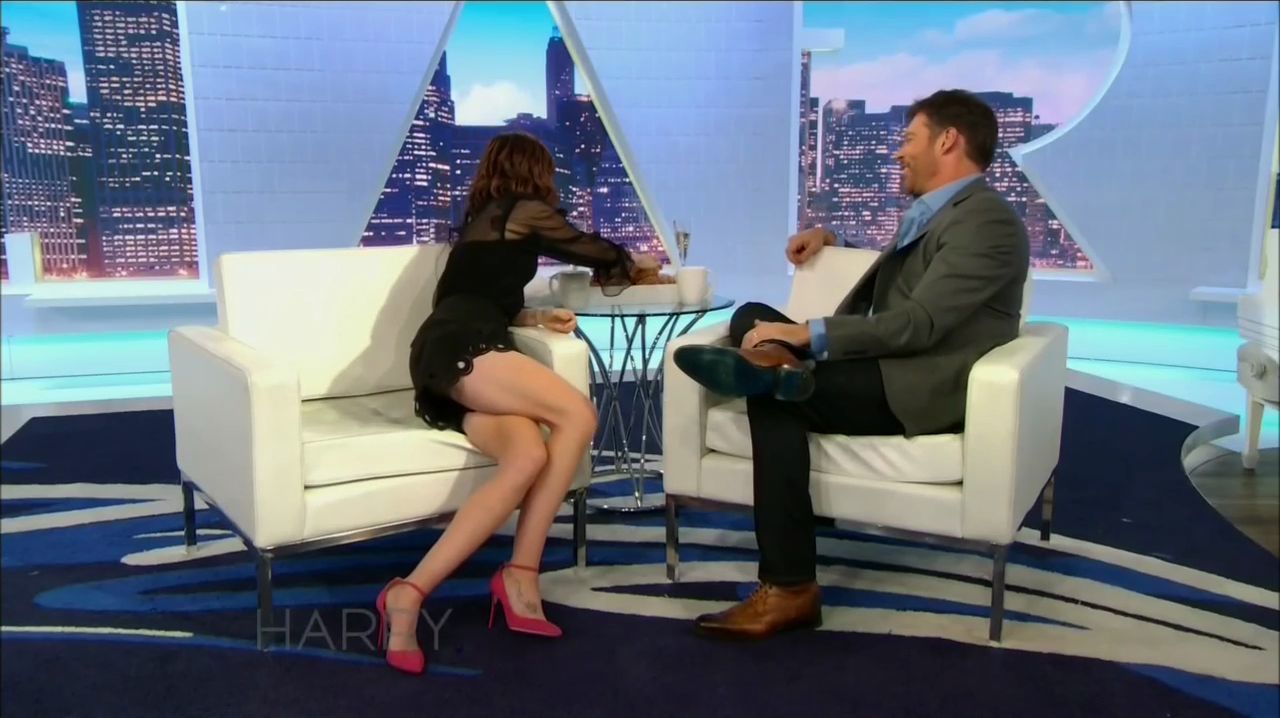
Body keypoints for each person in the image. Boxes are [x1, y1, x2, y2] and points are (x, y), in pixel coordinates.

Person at [672, 89, 1029, 639]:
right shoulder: (943, 213)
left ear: (948, 141)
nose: (899, 151)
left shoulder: (987, 221)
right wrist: (834, 240)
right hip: (887, 363)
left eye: (909, 138)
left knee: (776, 393)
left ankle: (790, 588)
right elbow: (910, 274)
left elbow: (919, 322)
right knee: (751, 315)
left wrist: (805, 334)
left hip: (917, 382)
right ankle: (773, 361)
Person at [377, 132, 656, 674]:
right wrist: (637, 261)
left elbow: (480, 300)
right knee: (578, 414)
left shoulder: (484, 226)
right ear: (535, 173)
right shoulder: (520, 209)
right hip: (463, 347)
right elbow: (592, 249)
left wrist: (535, 317)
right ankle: (522, 572)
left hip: (449, 350)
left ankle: (408, 594)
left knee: (527, 456)